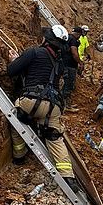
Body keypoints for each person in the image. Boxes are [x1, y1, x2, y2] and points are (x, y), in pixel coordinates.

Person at [7, 25, 78, 189]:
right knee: (54, 136)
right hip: (54, 107)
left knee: (15, 115)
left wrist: (15, 60)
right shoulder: (59, 63)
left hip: (31, 102)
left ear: (46, 39)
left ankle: (19, 155)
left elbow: (12, 71)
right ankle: (68, 176)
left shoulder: (34, 52)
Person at [62, 27, 83, 112]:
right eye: (80, 35)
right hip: (70, 66)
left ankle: (67, 104)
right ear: (78, 34)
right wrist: (80, 62)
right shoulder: (73, 40)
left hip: (65, 64)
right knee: (68, 85)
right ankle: (65, 106)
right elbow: (74, 53)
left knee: (67, 85)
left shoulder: (67, 37)